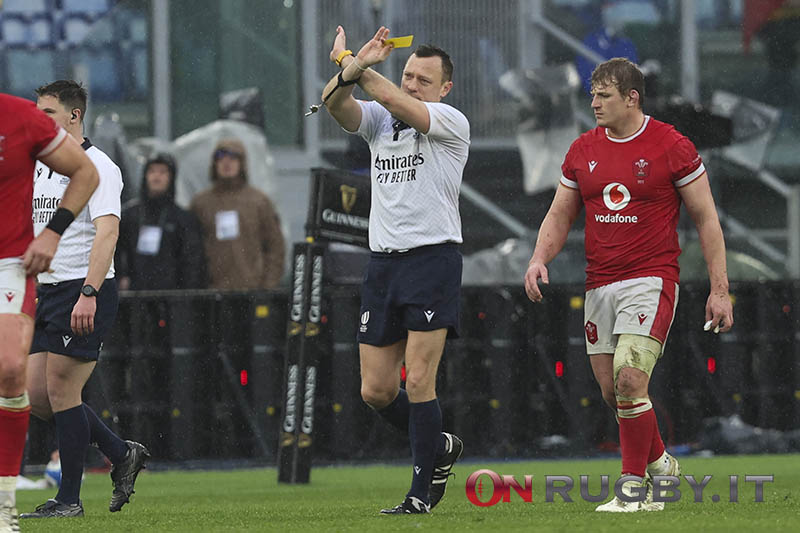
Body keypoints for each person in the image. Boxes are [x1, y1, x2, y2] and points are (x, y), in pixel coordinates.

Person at [524, 58, 734, 512]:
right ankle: (661, 465)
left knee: (629, 380)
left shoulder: (671, 145)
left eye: (604, 95)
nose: (594, 103)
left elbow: (706, 218)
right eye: (593, 95)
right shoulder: (582, 149)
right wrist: (540, 258)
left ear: (632, 98)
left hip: (652, 278)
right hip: (599, 283)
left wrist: (720, 289)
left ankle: (633, 489)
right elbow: (560, 214)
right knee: (612, 392)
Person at [322, 26, 469, 514]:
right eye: (407, 74)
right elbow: (334, 104)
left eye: (423, 79)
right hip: (383, 264)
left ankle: (419, 494)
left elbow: (384, 93)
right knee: (376, 390)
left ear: (444, 88)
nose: (411, 85)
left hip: (432, 260)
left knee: (420, 380)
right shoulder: (380, 121)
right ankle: (440, 446)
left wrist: (352, 60)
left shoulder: (449, 120)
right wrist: (347, 68)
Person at [20, 80, 149, 520]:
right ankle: (120, 452)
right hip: (46, 288)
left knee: (60, 390)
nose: (40, 120)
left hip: (82, 287)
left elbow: (108, 232)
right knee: (37, 396)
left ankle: (69, 500)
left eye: (48, 112)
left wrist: (89, 292)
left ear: (74, 116)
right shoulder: (39, 165)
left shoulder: (99, 165)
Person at [0, 91, 99, 532]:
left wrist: (52, 235)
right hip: (52, 284)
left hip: (15, 264)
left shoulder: (20, 117)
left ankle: (4, 504)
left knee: (10, 370)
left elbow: (85, 173)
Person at [190, 138, 285, 290]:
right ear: (214, 164)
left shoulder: (258, 201)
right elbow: (192, 251)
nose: (227, 163)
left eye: (233, 158)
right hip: (212, 293)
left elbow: (275, 247)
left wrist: (267, 286)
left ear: (242, 163)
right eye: (221, 158)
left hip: (252, 291)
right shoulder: (201, 203)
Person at [116, 153, 206, 290]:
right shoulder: (129, 216)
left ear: (171, 178)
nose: (156, 176)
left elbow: (192, 260)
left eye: (162, 172)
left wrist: (184, 290)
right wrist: (121, 277)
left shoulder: (183, 219)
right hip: (134, 296)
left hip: (171, 297)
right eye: (152, 171)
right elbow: (116, 251)